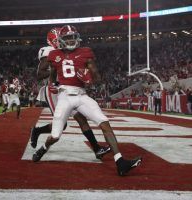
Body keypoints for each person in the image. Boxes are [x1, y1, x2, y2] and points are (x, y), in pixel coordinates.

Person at [32, 25, 142, 176]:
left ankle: (120, 162)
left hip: (82, 95)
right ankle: (44, 148)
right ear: (61, 40)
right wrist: (52, 84)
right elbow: (49, 73)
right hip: (64, 97)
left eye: (73, 37)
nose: (71, 40)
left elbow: (97, 76)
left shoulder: (85, 52)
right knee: (56, 135)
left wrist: (90, 79)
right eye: (67, 37)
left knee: (104, 123)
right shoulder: (54, 54)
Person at [31, 27, 111, 160]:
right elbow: (39, 75)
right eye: (58, 39)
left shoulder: (67, 51)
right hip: (55, 90)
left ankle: (96, 148)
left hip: (70, 90)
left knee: (82, 119)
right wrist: (58, 69)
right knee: (62, 125)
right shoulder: (50, 51)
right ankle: (38, 132)